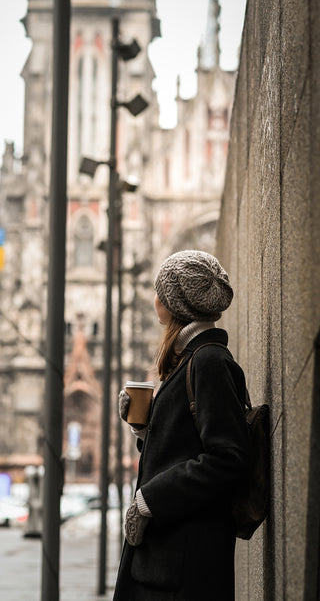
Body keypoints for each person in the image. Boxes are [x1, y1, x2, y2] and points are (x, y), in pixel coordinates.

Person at [113, 250, 250, 601]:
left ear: (176, 304)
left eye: (161, 291)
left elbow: (226, 459)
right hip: (169, 559)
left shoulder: (209, 362)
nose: (155, 298)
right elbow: (182, 448)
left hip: (185, 565)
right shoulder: (191, 358)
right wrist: (143, 429)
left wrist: (148, 500)